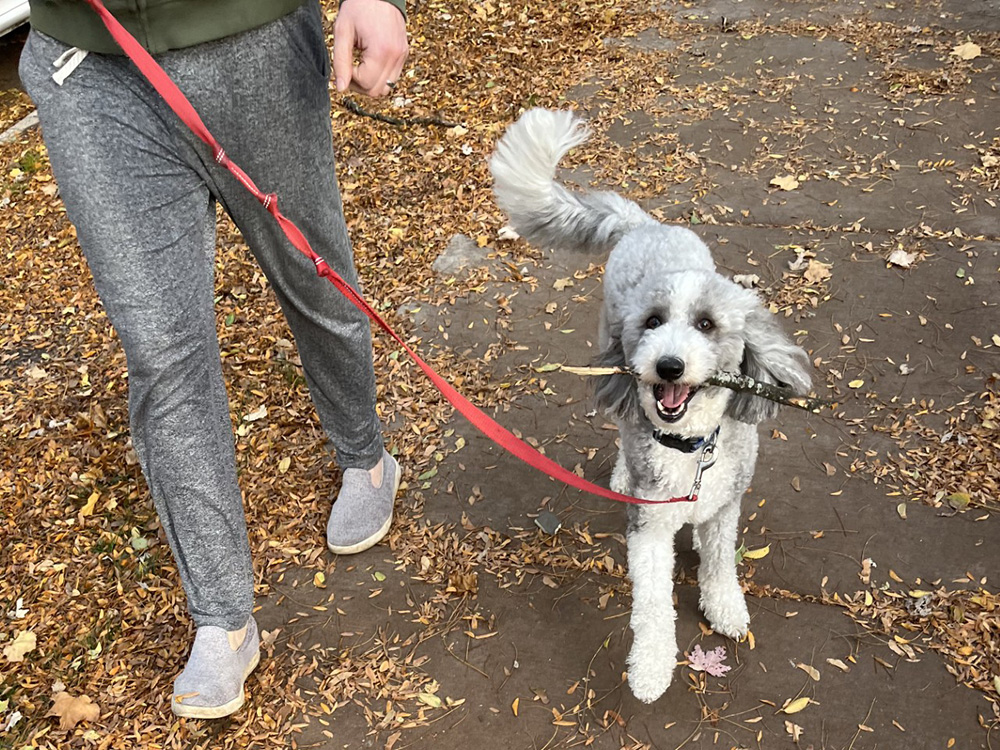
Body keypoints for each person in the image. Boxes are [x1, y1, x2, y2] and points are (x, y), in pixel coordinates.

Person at [19, 0, 408, 720]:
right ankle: (222, 618)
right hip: (88, 66)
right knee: (162, 355)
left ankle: (366, 456)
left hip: (249, 37)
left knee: (312, 275)